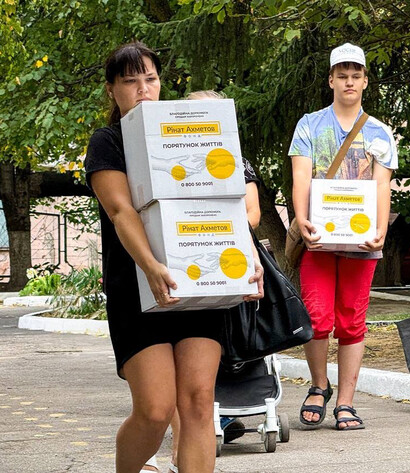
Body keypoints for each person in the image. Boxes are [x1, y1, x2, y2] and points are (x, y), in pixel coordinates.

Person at [85, 41, 263, 473]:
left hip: (198, 284)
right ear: (112, 90)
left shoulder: (191, 132)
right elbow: (121, 210)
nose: (143, 89)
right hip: (138, 288)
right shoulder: (107, 143)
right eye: (130, 82)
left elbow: (224, 199)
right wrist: (151, 267)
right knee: (156, 410)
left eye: (150, 79)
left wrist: (245, 259)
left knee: (200, 402)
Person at [143, 89, 262, 473]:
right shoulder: (163, 154)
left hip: (213, 273)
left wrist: (216, 226)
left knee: (197, 389)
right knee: (169, 388)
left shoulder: (233, 161)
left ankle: (186, 452)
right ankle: (179, 445)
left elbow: (252, 214)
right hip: (171, 272)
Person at [289, 43, 398, 430]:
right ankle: (319, 386)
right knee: (317, 317)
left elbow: (382, 185)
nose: (349, 81)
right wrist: (302, 220)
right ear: (331, 79)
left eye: (356, 76)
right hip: (319, 238)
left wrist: (381, 231)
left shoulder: (380, 132)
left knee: (352, 320)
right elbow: (301, 176)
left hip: (362, 241)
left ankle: (347, 403)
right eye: (342, 75)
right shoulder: (309, 125)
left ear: (365, 81)